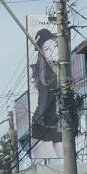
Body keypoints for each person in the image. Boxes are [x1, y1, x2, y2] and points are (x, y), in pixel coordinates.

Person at [29, 28, 63, 159]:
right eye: (47, 49)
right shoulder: (45, 74)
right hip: (42, 125)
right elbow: (43, 104)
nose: (53, 51)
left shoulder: (63, 69)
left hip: (59, 124)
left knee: (67, 165)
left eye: (54, 46)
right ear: (42, 54)